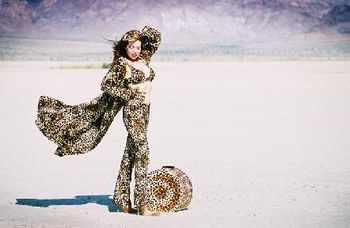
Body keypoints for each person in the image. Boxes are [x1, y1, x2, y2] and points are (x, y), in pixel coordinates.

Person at [35, 26, 161, 215]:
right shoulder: (121, 64)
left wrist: (141, 34)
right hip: (133, 112)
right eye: (131, 47)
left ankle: (121, 198)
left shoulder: (144, 58)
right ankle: (143, 203)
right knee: (143, 152)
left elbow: (156, 39)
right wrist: (128, 94)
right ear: (125, 47)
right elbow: (106, 84)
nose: (134, 50)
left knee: (131, 154)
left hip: (145, 111)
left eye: (137, 47)